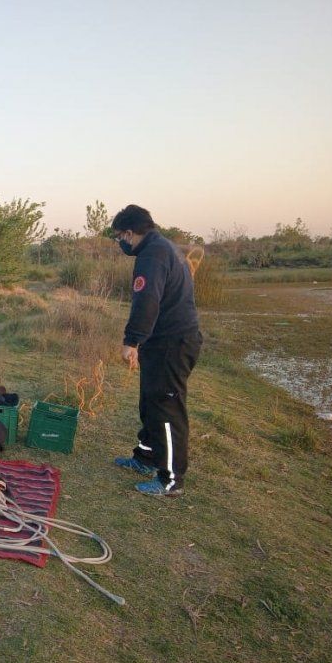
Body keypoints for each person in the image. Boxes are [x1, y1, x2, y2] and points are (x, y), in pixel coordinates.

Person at [111, 205, 202, 497]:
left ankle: (171, 479)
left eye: (119, 237)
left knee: (167, 409)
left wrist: (132, 341)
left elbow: (147, 300)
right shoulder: (165, 247)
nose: (120, 243)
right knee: (150, 403)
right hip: (159, 341)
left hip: (172, 344)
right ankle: (145, 457)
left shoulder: (153, 254)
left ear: (129, 232)